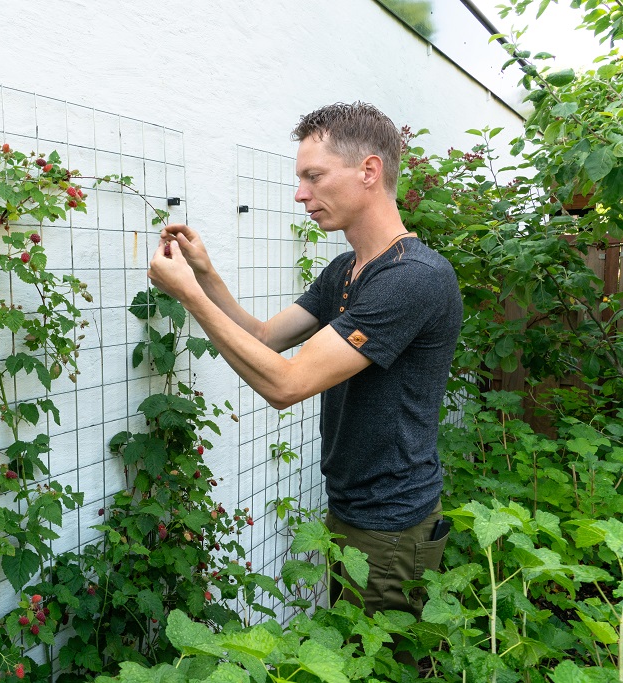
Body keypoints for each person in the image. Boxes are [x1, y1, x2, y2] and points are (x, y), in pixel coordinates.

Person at [146, 102, 463, 622]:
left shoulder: (413, 278)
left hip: (392, 523)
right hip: (351, 508)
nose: (300, 194)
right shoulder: (347, 268)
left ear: (369, 171)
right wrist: (205, 276)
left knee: (378, 662)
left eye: (313, 176)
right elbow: (267, 339)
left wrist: (189, 299)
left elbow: (286, 384)